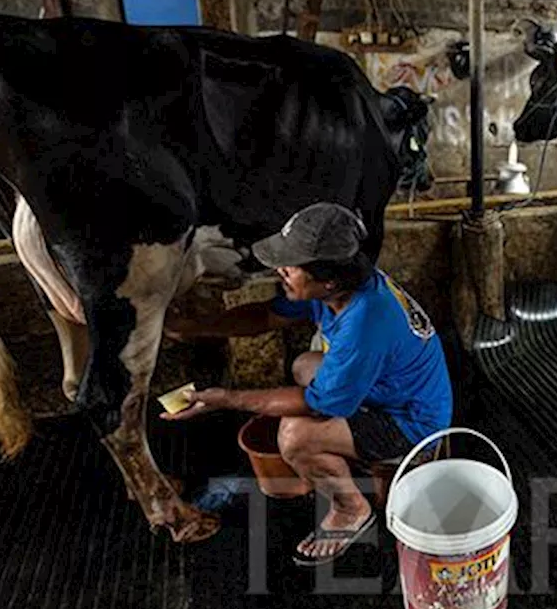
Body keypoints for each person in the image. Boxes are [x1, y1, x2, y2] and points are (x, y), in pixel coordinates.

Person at [162, 202, 453, 566]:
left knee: (295, 437)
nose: (280, 269)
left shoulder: (364, 322)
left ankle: (351, 508)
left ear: (327, 278)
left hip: (411, 426)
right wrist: (196, 328)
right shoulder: (338, 291)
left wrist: (226, 399)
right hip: (394, 394)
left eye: (291, 264)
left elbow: (317, 405)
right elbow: (266, 315)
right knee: (304, 365)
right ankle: (351, 457)